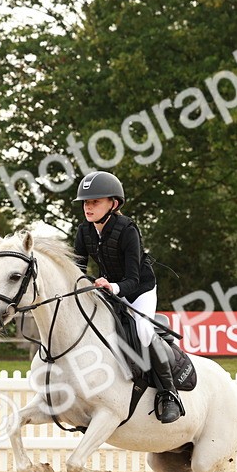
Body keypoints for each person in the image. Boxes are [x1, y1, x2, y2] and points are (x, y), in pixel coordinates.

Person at [72, 170, 183, 424]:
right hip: (108, 289)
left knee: (143, 331)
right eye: (86, 203)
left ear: (114, 203)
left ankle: (169, 394)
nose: (88, 207)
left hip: (139, 290)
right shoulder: (84, 231)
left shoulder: (127, 230)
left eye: (95, 202)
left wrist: (112, 287)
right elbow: (76, 269)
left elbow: (132, 279)